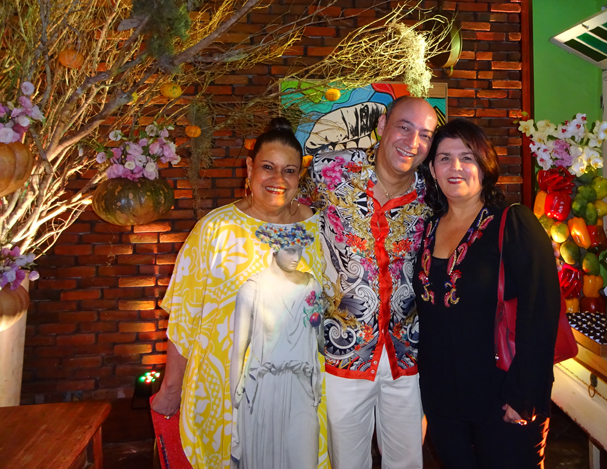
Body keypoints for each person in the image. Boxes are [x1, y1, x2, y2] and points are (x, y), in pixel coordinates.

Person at [151, 118, 329, 469]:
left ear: (300, 177)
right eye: (268, 167)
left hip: (300, 393)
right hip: (227, 396)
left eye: (289, 170)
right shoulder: (215, 230)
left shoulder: (320, 231)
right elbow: (185, 317)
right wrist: (171, 389)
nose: (278, 179)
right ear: (249, 169)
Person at [413, 118, 560, 468]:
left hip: (502, 397)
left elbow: (541, 311)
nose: (455, 167)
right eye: (444, 158)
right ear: (432, 169)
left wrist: (524, 393)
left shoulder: (514, 223)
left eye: (467, 157)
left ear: (484, 165)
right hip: (442, 400)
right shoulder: (426, 228)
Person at [300, 96, 438, 469]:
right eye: (404, 127)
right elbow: (290, 217)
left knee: (407, 461)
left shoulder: (433, 193)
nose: (412, 142)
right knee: (347, 462)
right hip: (343, 352)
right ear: (381, 126)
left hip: (407, 355)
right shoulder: (329, 172)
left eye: (425, 135)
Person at [230, 224, 324, 469]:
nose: (296, 257)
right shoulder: (253, 289)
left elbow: (321, 341)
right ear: (274, 247)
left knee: (304, 458)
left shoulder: (311, 286)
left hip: (300, 385)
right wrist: (235, 397)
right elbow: (238, 349)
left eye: (300, 250)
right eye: (290, 250)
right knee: (263, 460)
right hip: (263, 385)